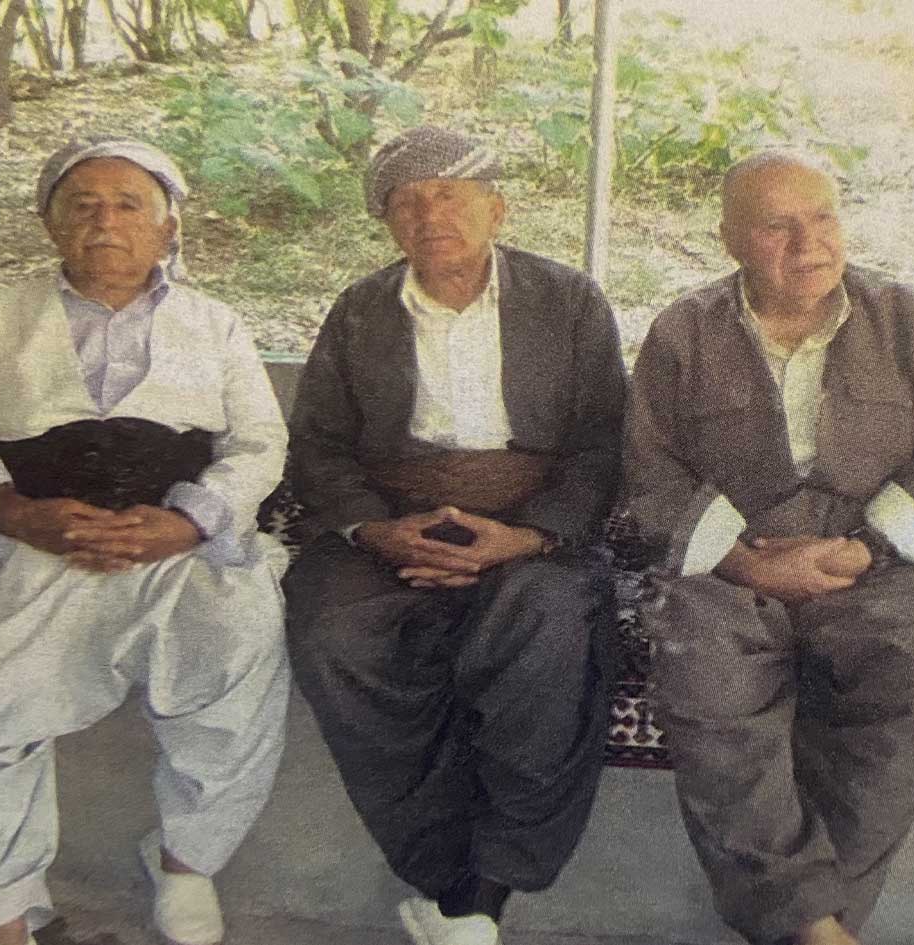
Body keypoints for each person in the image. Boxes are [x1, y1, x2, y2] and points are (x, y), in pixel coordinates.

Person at [0, 136, 291, 945]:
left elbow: (260, 444)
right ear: (52, 227)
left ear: (168, 228)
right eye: (82, 205)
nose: (104, 222)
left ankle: (187, 865)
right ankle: (3, 913)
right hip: (28, 541)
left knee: (236, 657)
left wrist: (188, 521)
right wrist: (14, 512)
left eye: (128, 205)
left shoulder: (214, 323)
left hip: (174, 547)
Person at [622, 150, 914, 945]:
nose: (810, 243)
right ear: (730, 242)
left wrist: (867, 548)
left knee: (908, 689)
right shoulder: (683, 332)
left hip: (876, 563)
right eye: (778, 225)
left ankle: (810, 928)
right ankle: (821, 933)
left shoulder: (908, 318)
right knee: (710, 688)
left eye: (823, 217)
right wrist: (748, 559)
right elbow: (648, 471)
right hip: (733, 566)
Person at [282, 126, 627, 945]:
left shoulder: (569, 301)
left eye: (449, 195)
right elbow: (320, 445)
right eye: (406, 202)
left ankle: (492, 882)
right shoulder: (361, 311)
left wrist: (531, 535)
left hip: (530, 528)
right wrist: (376, 528)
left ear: (497, 209)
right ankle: (447, 870)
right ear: (388, 225)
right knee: (333, 629)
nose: (429, 214)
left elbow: (605, 442)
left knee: (546, 628)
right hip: (393, 524)